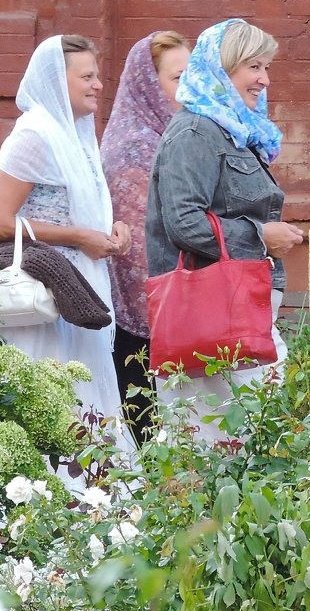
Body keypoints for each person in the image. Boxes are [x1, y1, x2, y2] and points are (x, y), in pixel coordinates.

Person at [146, 19, 304, 441]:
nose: (263, 79)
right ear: (223, 66)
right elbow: (183, 222)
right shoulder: (195, 132)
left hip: (239, 311)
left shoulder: (235, 131)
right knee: (209, 451)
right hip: (208, 316)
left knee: (250, 442)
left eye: (266, 67)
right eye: (254, 66)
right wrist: (260, 236)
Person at [0, 34, 134, 438]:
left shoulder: (79, 136)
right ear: (55, 81)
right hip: (46, 302)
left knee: (85, 410)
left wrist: (110, 231)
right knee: (54, 410)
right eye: (86, 76)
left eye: (97, 76)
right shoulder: (34, 135)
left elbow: (73, 206)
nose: (98, 85)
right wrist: (79, 237)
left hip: (83, 290)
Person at [100, 31, 190, 439]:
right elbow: (139, 255)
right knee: (152, 440)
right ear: (147, 85)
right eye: (177, 79)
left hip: (167, 315)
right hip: (142, 329)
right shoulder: (135, 147)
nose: (187, 91)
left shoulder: (166, 137)